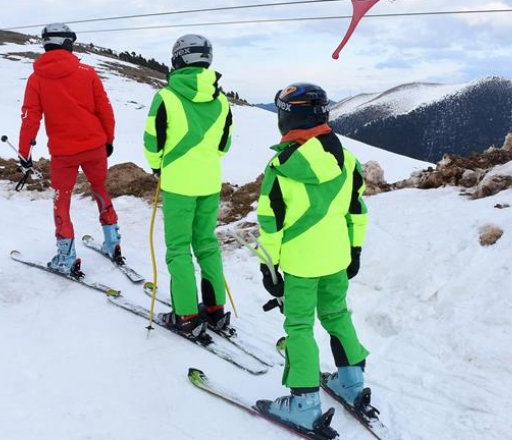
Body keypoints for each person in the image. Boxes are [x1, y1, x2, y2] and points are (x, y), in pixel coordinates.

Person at [253, 83, 370, 432]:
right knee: (336, 314)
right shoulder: (347, 160)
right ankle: (352, 383)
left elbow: (269, 224)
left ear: (288, 118)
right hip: (336, 256)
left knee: (299, 327)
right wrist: (355, 248)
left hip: (301, 264)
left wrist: (268, 265)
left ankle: (304, 404)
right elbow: (356, 210)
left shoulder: (280, 167)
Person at [143, 34, 233, 338]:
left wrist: (158, 166)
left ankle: (186, 316)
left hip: (178, 184)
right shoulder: (221, 99)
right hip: (210, 181)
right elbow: (224, 145)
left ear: (178, 58)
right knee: (207, 245)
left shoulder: (166, 97)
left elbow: (151, 141)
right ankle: (216, 311)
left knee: (178, 250)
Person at [18, 23, 118, 276]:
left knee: (61, 200)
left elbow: (30, 118)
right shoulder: (87, 72)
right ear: (66, 43)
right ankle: (113, 243)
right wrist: (108, 140)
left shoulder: (36, 78)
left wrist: (24, 153)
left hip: (64, 153)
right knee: (99, 190)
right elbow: (104, 109)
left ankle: (66, 256)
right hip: (95, 145)